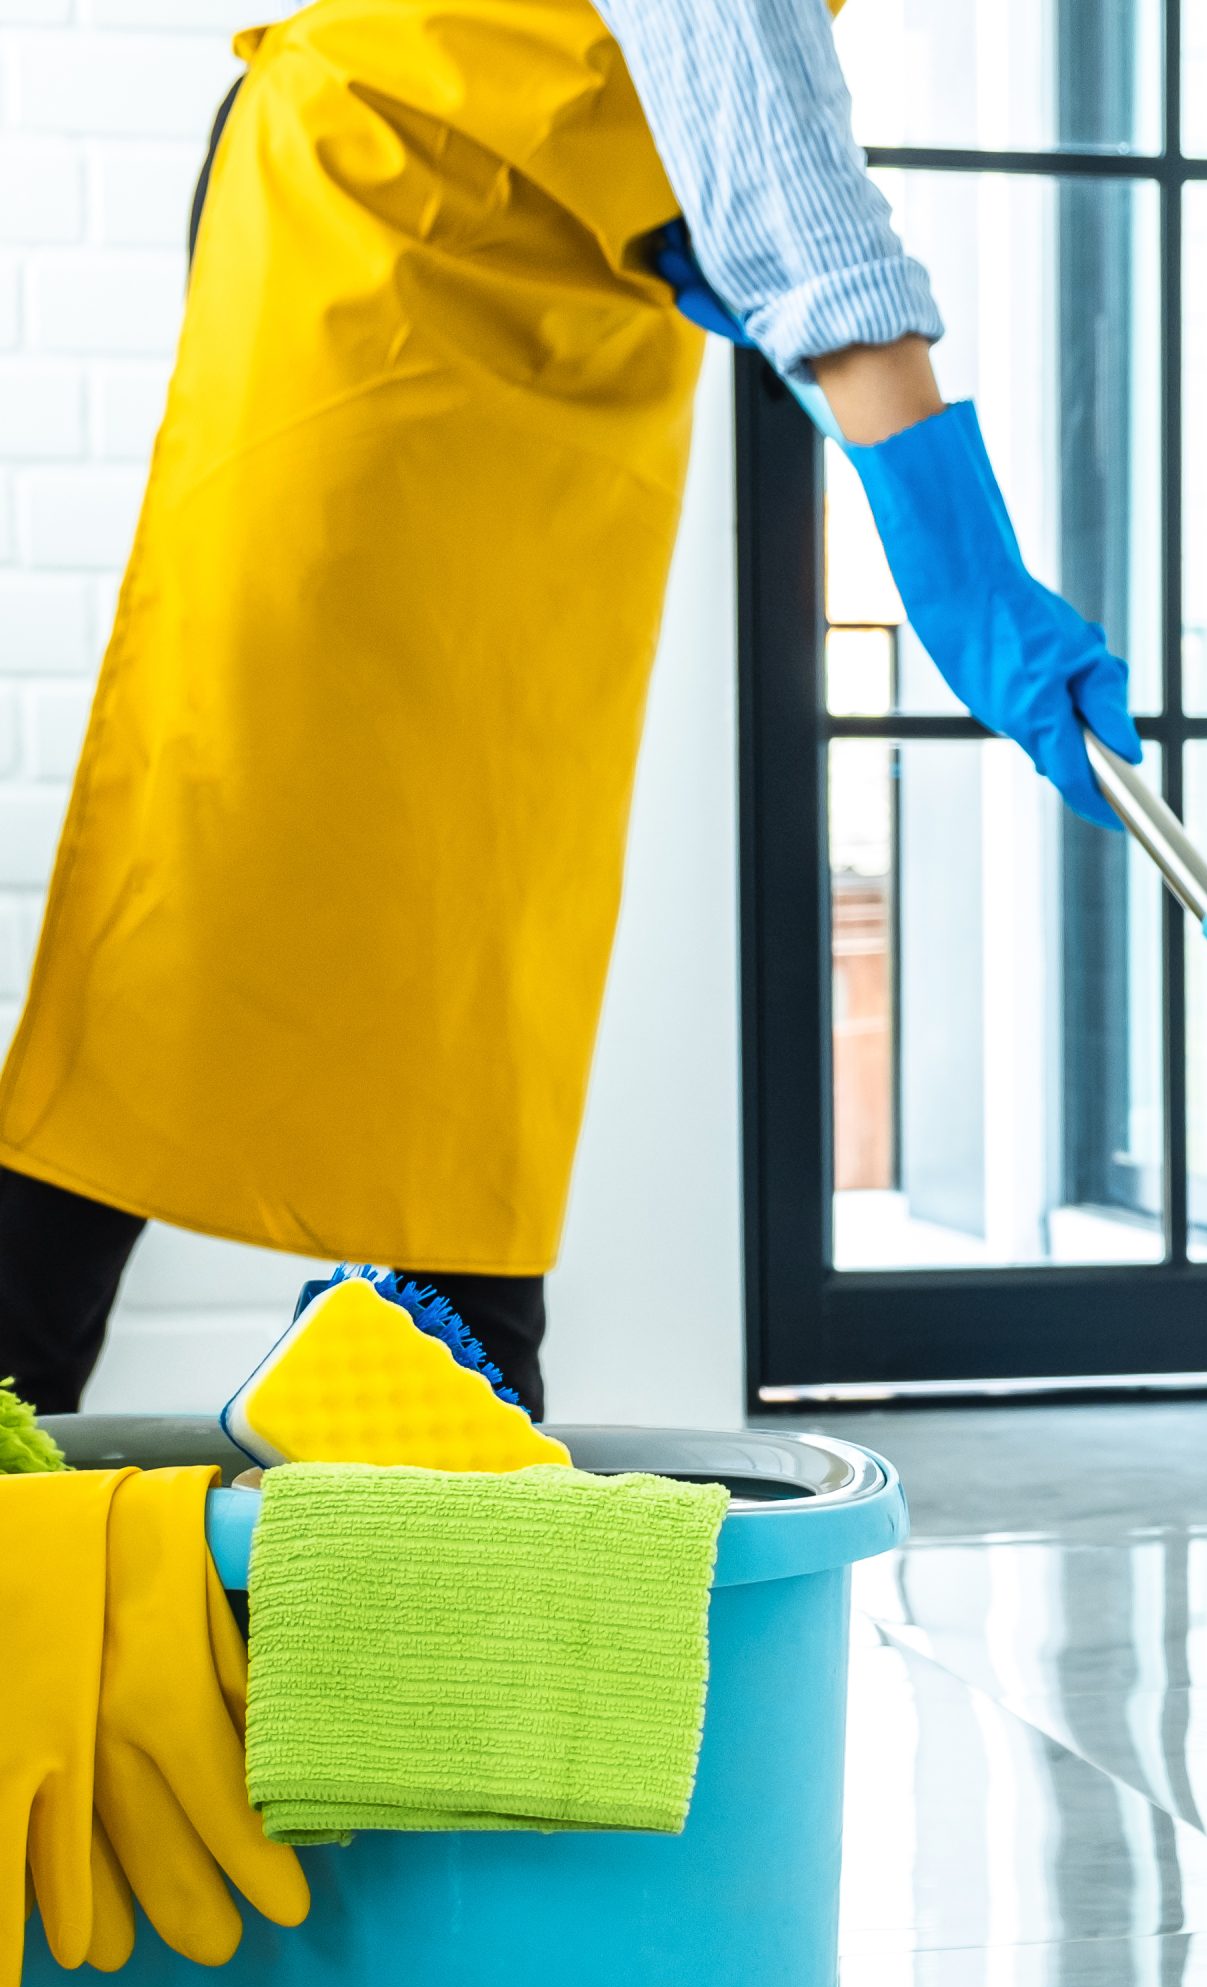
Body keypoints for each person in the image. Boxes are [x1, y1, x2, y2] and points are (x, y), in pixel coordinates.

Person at [0, 0, 1137, 1421]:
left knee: (487, 895)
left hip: (573, 288)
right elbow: (793, 179)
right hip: (382, 225)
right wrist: (963, 569)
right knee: (218, 858)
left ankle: (433, 1439)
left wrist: (682, 202)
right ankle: (34, 1372)